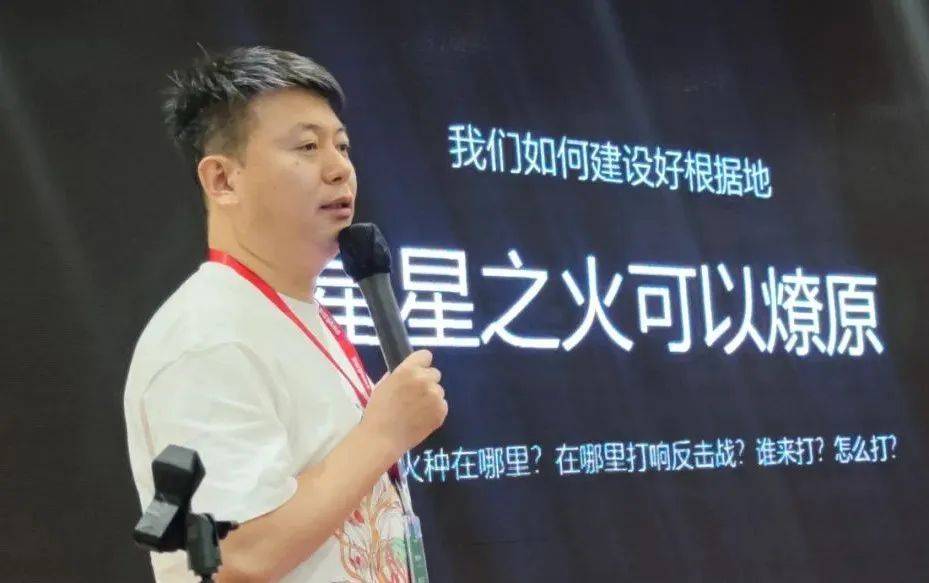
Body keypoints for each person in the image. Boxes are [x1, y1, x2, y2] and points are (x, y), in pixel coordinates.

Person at [123, 45, 447, 583]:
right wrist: (384, 433)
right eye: (307, 146)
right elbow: (237, 555)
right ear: (222, 180)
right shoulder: (207, 335)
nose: (340, 169)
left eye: (342, 146)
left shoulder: (299, 314)